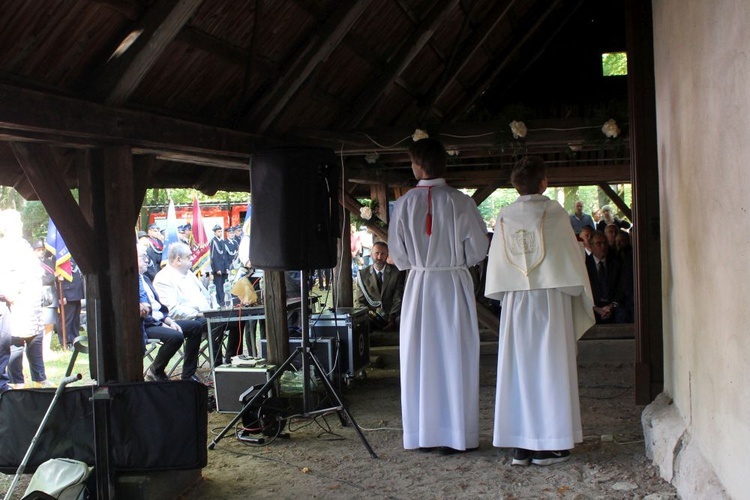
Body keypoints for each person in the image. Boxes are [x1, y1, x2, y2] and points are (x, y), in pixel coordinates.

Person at [485, 156, 595, 467]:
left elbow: (496, 268)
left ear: (514, 185)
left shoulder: (504, 217)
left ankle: (521, 445)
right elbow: (572, 259)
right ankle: (551, 444)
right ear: (544, 182)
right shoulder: (555, 214)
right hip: (550, 299)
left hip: (518, 303)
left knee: (520, 370)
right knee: (550, 367)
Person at [388, 137, 489, 455]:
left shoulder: (404, 203)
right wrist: (455, 257)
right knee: (454, 355)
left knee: (421, 358)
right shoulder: (461, 201)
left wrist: (422, 260)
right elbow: (478, 250)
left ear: (418, 165)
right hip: (452, 286)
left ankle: (423, 434)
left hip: (419, 287)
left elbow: (399, 256)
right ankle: (456, 434)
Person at [153, 241, 241, 367]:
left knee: (237, 318)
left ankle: (233, 359)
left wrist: (214, 309)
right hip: (186, 319)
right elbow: (171, 310)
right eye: (189, 257)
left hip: (205, 315)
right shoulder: (163, 278)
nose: (192, 259)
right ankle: (218, 366)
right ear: (178, 260)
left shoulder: (188, 273)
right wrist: (199, 313)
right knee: (216, 323)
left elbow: (206, 294)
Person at [0, 210, 51, 388]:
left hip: (32, 301)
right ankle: (17, 382)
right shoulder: (3, 247)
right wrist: (7, 292)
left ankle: (40, 378)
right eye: (15, 223)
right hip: (15, 302)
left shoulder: (24, 245)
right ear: (6, 227)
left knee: (35, 339)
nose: (19, 226)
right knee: (15, 343)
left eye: (20, 222)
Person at [137, 245, 204, 381]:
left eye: (146, 256)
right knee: (176, 336)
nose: (147, 260)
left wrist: (168, 321)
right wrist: (163, 325)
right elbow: (145, 314)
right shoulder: (133, 281)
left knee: (196, 327)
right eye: (143, 256)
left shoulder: (144, 279)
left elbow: (159, 309)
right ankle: (156, 370)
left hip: (160, 320)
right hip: (145, 325)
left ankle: (188, 374)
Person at [354, 241, 405, 331]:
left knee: (401, 321)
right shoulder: (362, 275)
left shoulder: (396, 272)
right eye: (376, 253)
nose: (379, 257)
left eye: (383, 254)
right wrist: (371, 316)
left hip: (391, 315)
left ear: (387, 255)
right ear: (371, 254)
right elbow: (359, 301)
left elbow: (398, 298)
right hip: (371, 316)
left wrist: (391, 317)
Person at [586, 231, 632, 324]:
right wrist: (595, 308)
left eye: (605, 243)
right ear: (591, 246)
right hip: (592, 306)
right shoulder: (585, 264)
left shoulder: (616, 263)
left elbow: (622, 287)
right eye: (599, 243)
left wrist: (612, 305)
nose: (603, 246)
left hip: (613, 305)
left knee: (623, 315)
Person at [57, 258, 84, 349]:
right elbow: (58, 279)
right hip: (68, 293)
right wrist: (62, 295)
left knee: (75, 320)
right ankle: (66, 342)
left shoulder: (74, 257)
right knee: (66, 320)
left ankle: (75, 340)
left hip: (77, 291)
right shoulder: (60, 257)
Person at [210, 224, 228, 305]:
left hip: (224, 267)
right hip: (218, 268)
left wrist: (227, 267)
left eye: (221, 231)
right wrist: (217, 268)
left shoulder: (222, 241)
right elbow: (214, 256)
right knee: (219, 285)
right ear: (215, 233)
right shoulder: (213, 241)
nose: (220, 233)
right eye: (218, 232)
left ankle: (224, 300)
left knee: (224, 285)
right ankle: (220, 301)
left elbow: (225, 255)